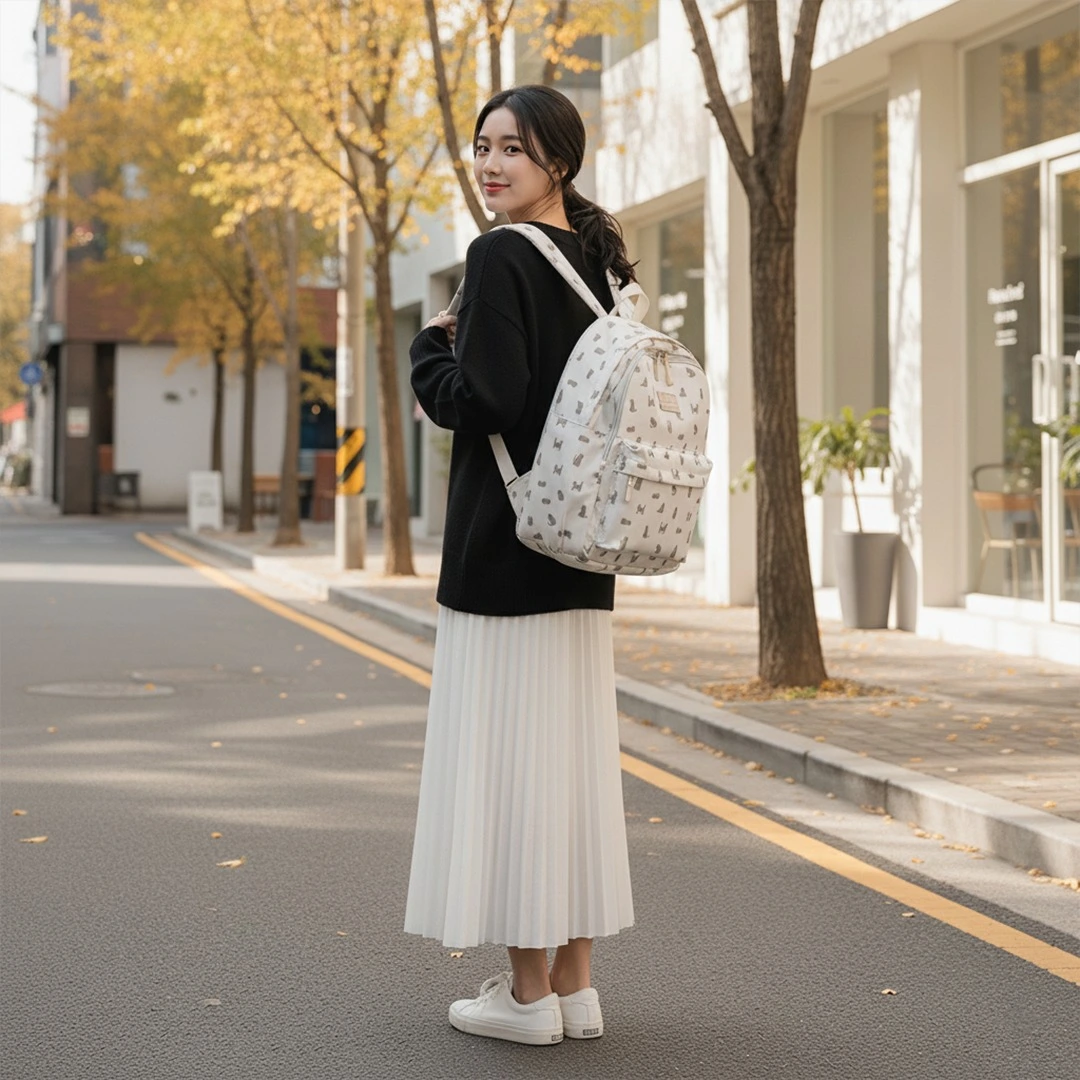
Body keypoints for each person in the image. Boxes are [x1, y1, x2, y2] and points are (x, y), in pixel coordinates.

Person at [405, 84, 636, 1047]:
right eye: (484, 145)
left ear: (560, 161)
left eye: (516, 148)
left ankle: (526, 997)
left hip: (505, 561)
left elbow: (488, 398)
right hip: (581, 562)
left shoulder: (500, 252)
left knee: (510, 773)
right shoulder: (606, 265)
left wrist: (428, 351)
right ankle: (577, 990)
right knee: (571, 773)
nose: (492, 162)